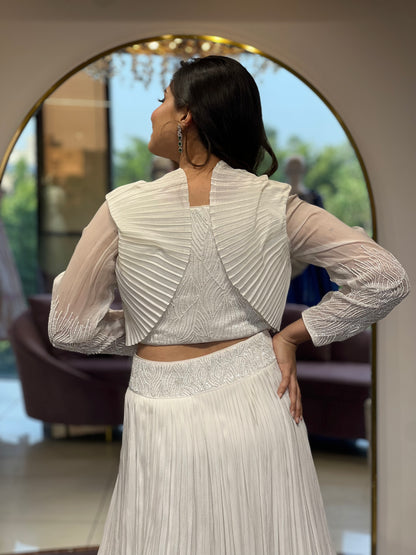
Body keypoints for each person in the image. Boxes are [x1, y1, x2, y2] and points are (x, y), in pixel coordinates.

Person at [48, 56, 410, 555]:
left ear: (186, 115)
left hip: (162, 411)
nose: (153, 112)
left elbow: (69, 328)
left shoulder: (123, 208)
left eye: (161, 100)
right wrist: (290, 337)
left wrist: (148, 335)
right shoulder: (276, 203)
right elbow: (385, 277)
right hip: (259, 397)